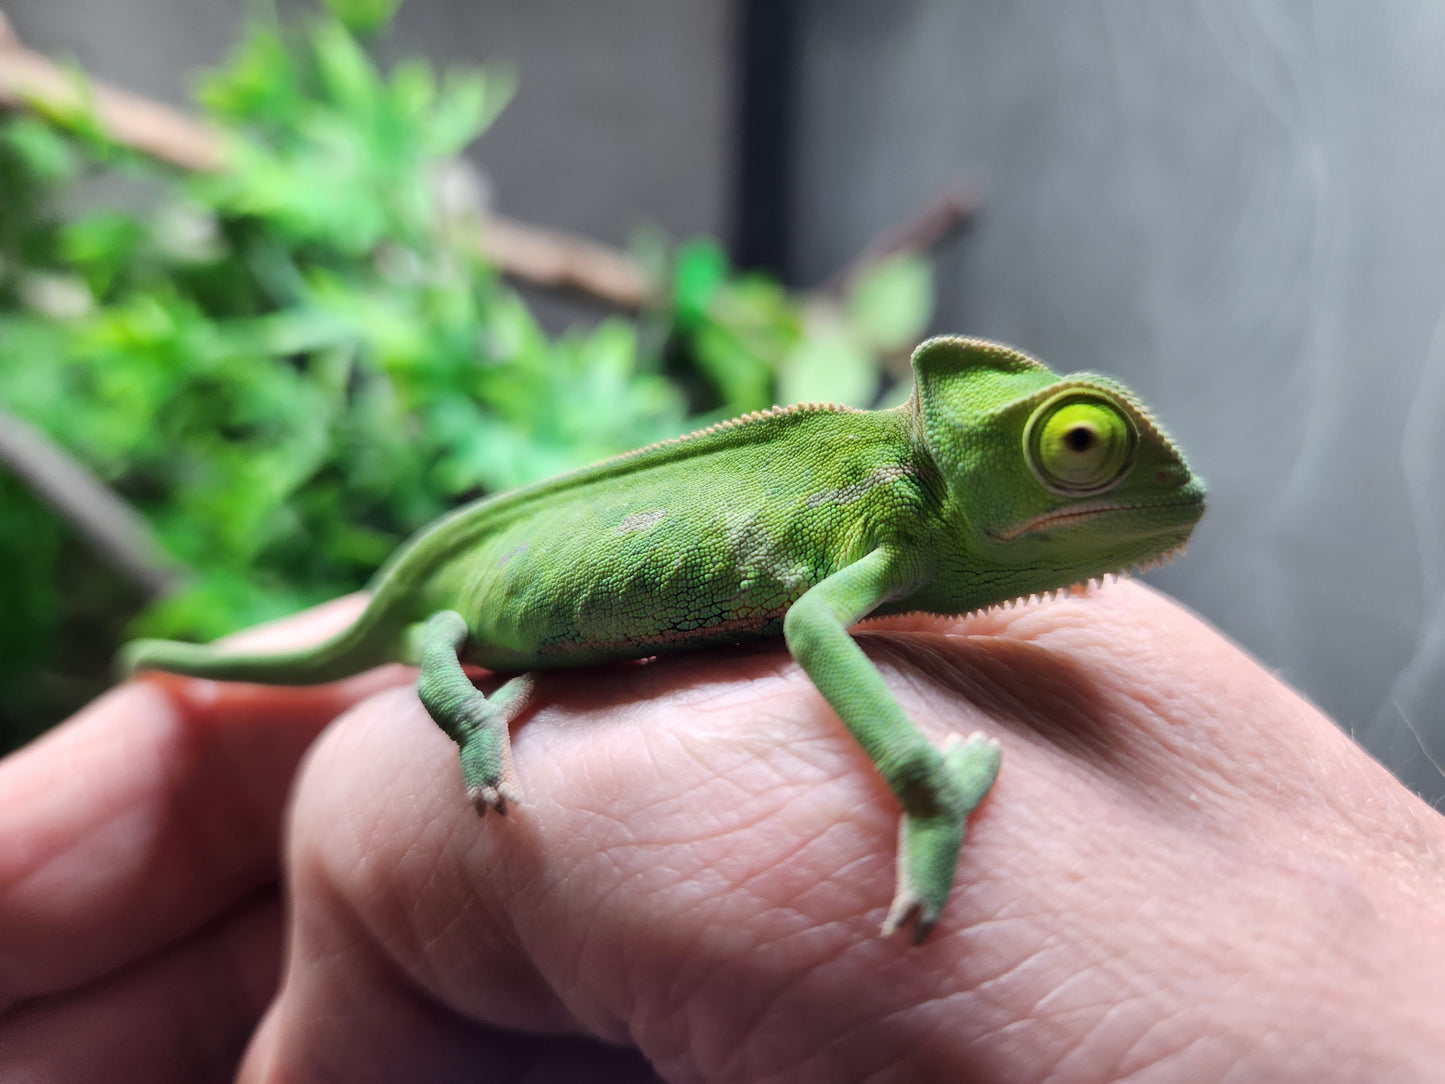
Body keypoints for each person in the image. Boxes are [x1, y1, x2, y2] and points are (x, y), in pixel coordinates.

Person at [1, 581, 1442, 1082]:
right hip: (460, 606)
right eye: (1072, 449)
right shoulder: (868, 514)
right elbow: (816, 617)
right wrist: (477, 720)